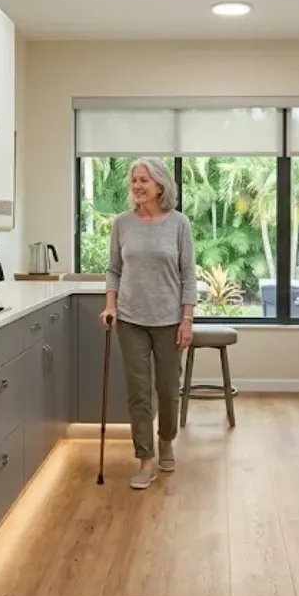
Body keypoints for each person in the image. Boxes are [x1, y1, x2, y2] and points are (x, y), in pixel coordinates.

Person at [101, 157, 198, 490]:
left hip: (169, 320)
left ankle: (166, 440)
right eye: (134, 180)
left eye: (144, 180)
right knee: (138, 392)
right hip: (131, 320)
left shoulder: (180, 224)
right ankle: (145, 458)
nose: (137, 186)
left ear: (160, 185)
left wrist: (187, 319)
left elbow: (188, 275)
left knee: (168, 389)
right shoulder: (122, 224)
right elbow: (114, 270)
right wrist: (110, 305)